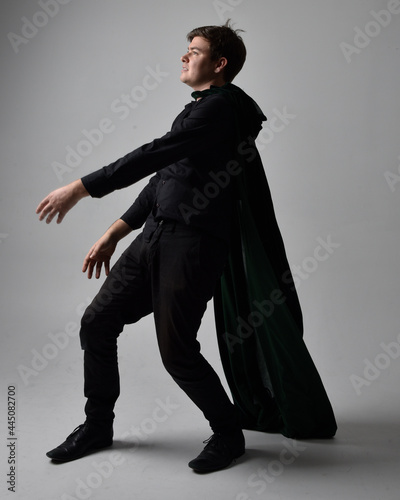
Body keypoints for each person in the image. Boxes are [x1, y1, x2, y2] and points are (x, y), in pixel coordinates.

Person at [36, 21, 337, 473]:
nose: (184, 56)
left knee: (176, 351)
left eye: (193, 51)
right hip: (153, 237)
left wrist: (81, 188)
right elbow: (164, 179)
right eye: (186, 49)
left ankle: (228, 434)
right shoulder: (197, 111)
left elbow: (152, 154)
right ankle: (97, 425)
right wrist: (114, 233)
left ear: (219, 64)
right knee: (97, 323)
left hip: (193, 245)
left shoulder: (222, 109)